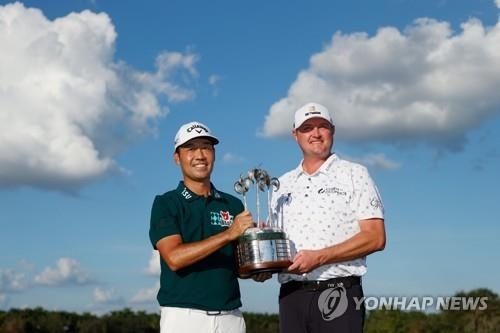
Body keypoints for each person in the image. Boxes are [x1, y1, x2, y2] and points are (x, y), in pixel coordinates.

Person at [271, 102, 386, 333]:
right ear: (295, 135)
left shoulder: (355, 173)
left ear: (332, 130)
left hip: (339, 293)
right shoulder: (280, 184)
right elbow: (277, 244)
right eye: (307, 128)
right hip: (291, 296)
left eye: (322, 126)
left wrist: (320, 257)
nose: (315, 133)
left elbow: (375, 238)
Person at [149, 121, 267, 333]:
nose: (200, 155)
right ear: (177, 158)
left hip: (231, 317)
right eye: (191, 148)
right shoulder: (166, 203)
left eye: (206, 147)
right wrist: (229, 234)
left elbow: (237, 267)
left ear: (214, 154)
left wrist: (257, 268)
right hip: (184, 317)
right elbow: (174, 258)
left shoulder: (233, 204)